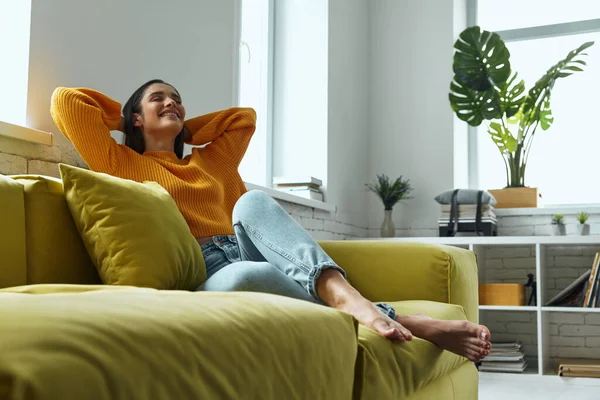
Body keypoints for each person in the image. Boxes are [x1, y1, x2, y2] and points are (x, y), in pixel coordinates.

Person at [50, 79, 491, 362]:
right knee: (247, 277)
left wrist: (180, 126)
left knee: (252, 204)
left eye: (179, 99)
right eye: (158, 99)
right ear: (133, 116)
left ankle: (348, 300)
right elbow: (67, 103)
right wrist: (128, 116)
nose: (172, 103)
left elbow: (243, 120)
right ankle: (405, 320)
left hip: (242, 243)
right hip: (206, 271)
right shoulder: (119, 161)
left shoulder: (212, 161)